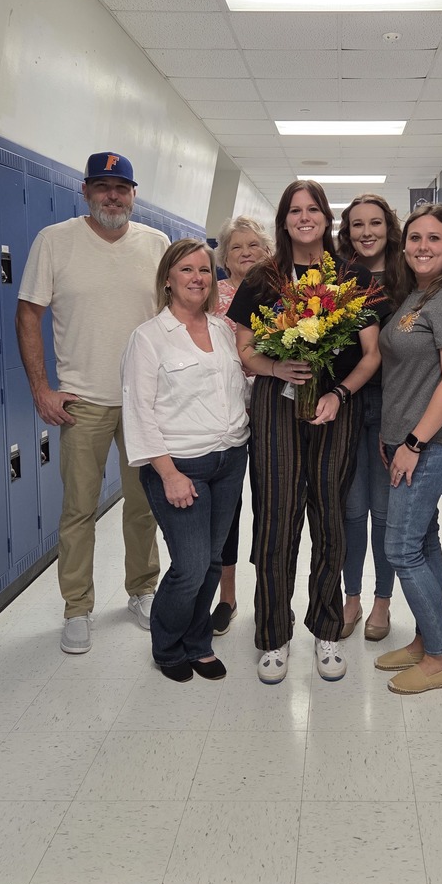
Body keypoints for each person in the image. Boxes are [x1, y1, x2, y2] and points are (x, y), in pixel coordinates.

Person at [227, 179, 382, 684]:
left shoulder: (352, 277)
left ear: (325, 217)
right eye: (295, 210)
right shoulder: (262, 278)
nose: (304, 217)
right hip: (276, 409)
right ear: (284, 219)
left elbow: (372, 355)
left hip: (335, 411)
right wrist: (275, 369)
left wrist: (339, 394)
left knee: (330, 519)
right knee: (275, 521)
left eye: (312, 209)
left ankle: (326, 628)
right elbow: (246, 352)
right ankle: (273, 635)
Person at [16, 151, 168, 655]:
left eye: (121, 187)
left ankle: (143, 589)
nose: (112, 196)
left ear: (133, 193)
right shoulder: (54, 241)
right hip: (83, 400)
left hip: (146, 399)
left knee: (145, 504)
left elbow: (177, 317)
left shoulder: (156, 244)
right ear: (84, 191)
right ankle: (76, 607)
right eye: (102, 186)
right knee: (78, 509)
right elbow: (28, 314)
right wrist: (42, 387)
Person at [121, 240, 249, 682]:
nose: (197, 278)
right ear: (168, 280)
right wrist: (168, 473)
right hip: (179, 465)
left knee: (213, 561)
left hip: (230, 459)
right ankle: (167, 644)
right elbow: (138, 410)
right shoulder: (150, 337)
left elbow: (239, 390)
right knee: (190, 565)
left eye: (204, 270)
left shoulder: (222, 330)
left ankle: (197, 642)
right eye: (187, 270)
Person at [374, 203, 442, 695]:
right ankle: (425, 639)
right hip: (406, 439)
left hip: (433, 444)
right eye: (414, 238)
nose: (422, 246)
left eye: (434, 238)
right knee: (421, 541)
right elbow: (405, 374)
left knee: (400, 548)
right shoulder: (418, 295)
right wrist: (391, 435)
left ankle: (440, 658)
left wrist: (414, 442)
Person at [336, 194, 402, 641]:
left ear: (388, 228)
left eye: (375, 223)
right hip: (346, 403)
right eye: (357, 224)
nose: (366, 232)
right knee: (350, 509)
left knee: (383, 511)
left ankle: (382, 602)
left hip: (393, 408)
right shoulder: (336, 277)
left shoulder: (409, 279)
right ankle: (352, 597)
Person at [210, 216, 273, 636]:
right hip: (225, 413)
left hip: (271, 411)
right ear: (224, 256)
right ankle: (226, 596)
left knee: (271, 503)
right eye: (236, 247)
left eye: (254, 246)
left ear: (268, 251)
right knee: (227, 508)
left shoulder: (283, 294)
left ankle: (269, 593)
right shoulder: (210, 295)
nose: (246, 253)